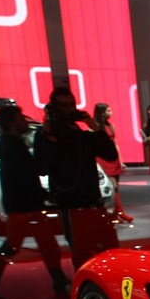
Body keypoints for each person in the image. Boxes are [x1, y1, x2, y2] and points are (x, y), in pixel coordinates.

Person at [0, 105, 70, 299]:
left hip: (21, 206)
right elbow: (28, 175)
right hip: (25, 207)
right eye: (21, 119)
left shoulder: (9, 144)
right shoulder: (13, 146)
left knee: (30, 244)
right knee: (35, 245)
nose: (25, 121)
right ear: (12, 123)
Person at [33, 85, 119, 259]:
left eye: (72, 104)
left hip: (92, 202)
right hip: (70, 205)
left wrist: (93, 125)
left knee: (111, 249)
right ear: (54, 109)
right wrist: (50, 140)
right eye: (64, 106)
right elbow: (41, 168)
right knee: (82, 254)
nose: (70, 109)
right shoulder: (46, 136)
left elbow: (110, 155)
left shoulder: (83, 136)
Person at [93, 102, 132, 224]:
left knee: (116, 188)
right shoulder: (95, 127)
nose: (111, 113)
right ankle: (117, 213)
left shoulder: (111, 126)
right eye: (109, 110)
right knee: (112, 186)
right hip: (103, 159)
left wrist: (121, 161)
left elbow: (116, 145)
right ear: (102, 112)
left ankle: (118, 213)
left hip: (113, 159)